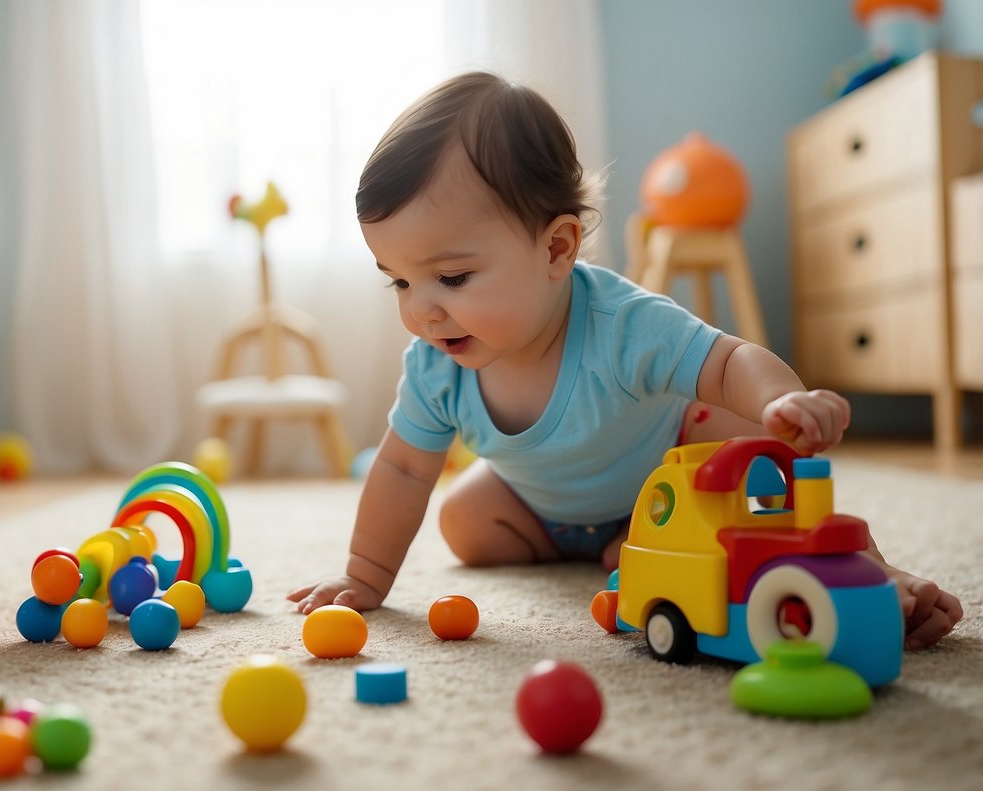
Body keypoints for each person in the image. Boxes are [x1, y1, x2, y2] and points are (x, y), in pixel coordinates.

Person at [286, 71, 962, 651]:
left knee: (746, 442)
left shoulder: (623, 325)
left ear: (556, 250)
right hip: (536, 503)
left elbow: (728, 362)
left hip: (663, 481)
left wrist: (779, 402)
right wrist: (365, 574)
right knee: (460, 521)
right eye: (399, 281)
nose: (421, 310)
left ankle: (869, 575)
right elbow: (404, 467)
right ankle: (627, 545)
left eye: (452, 279)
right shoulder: (436, 366)